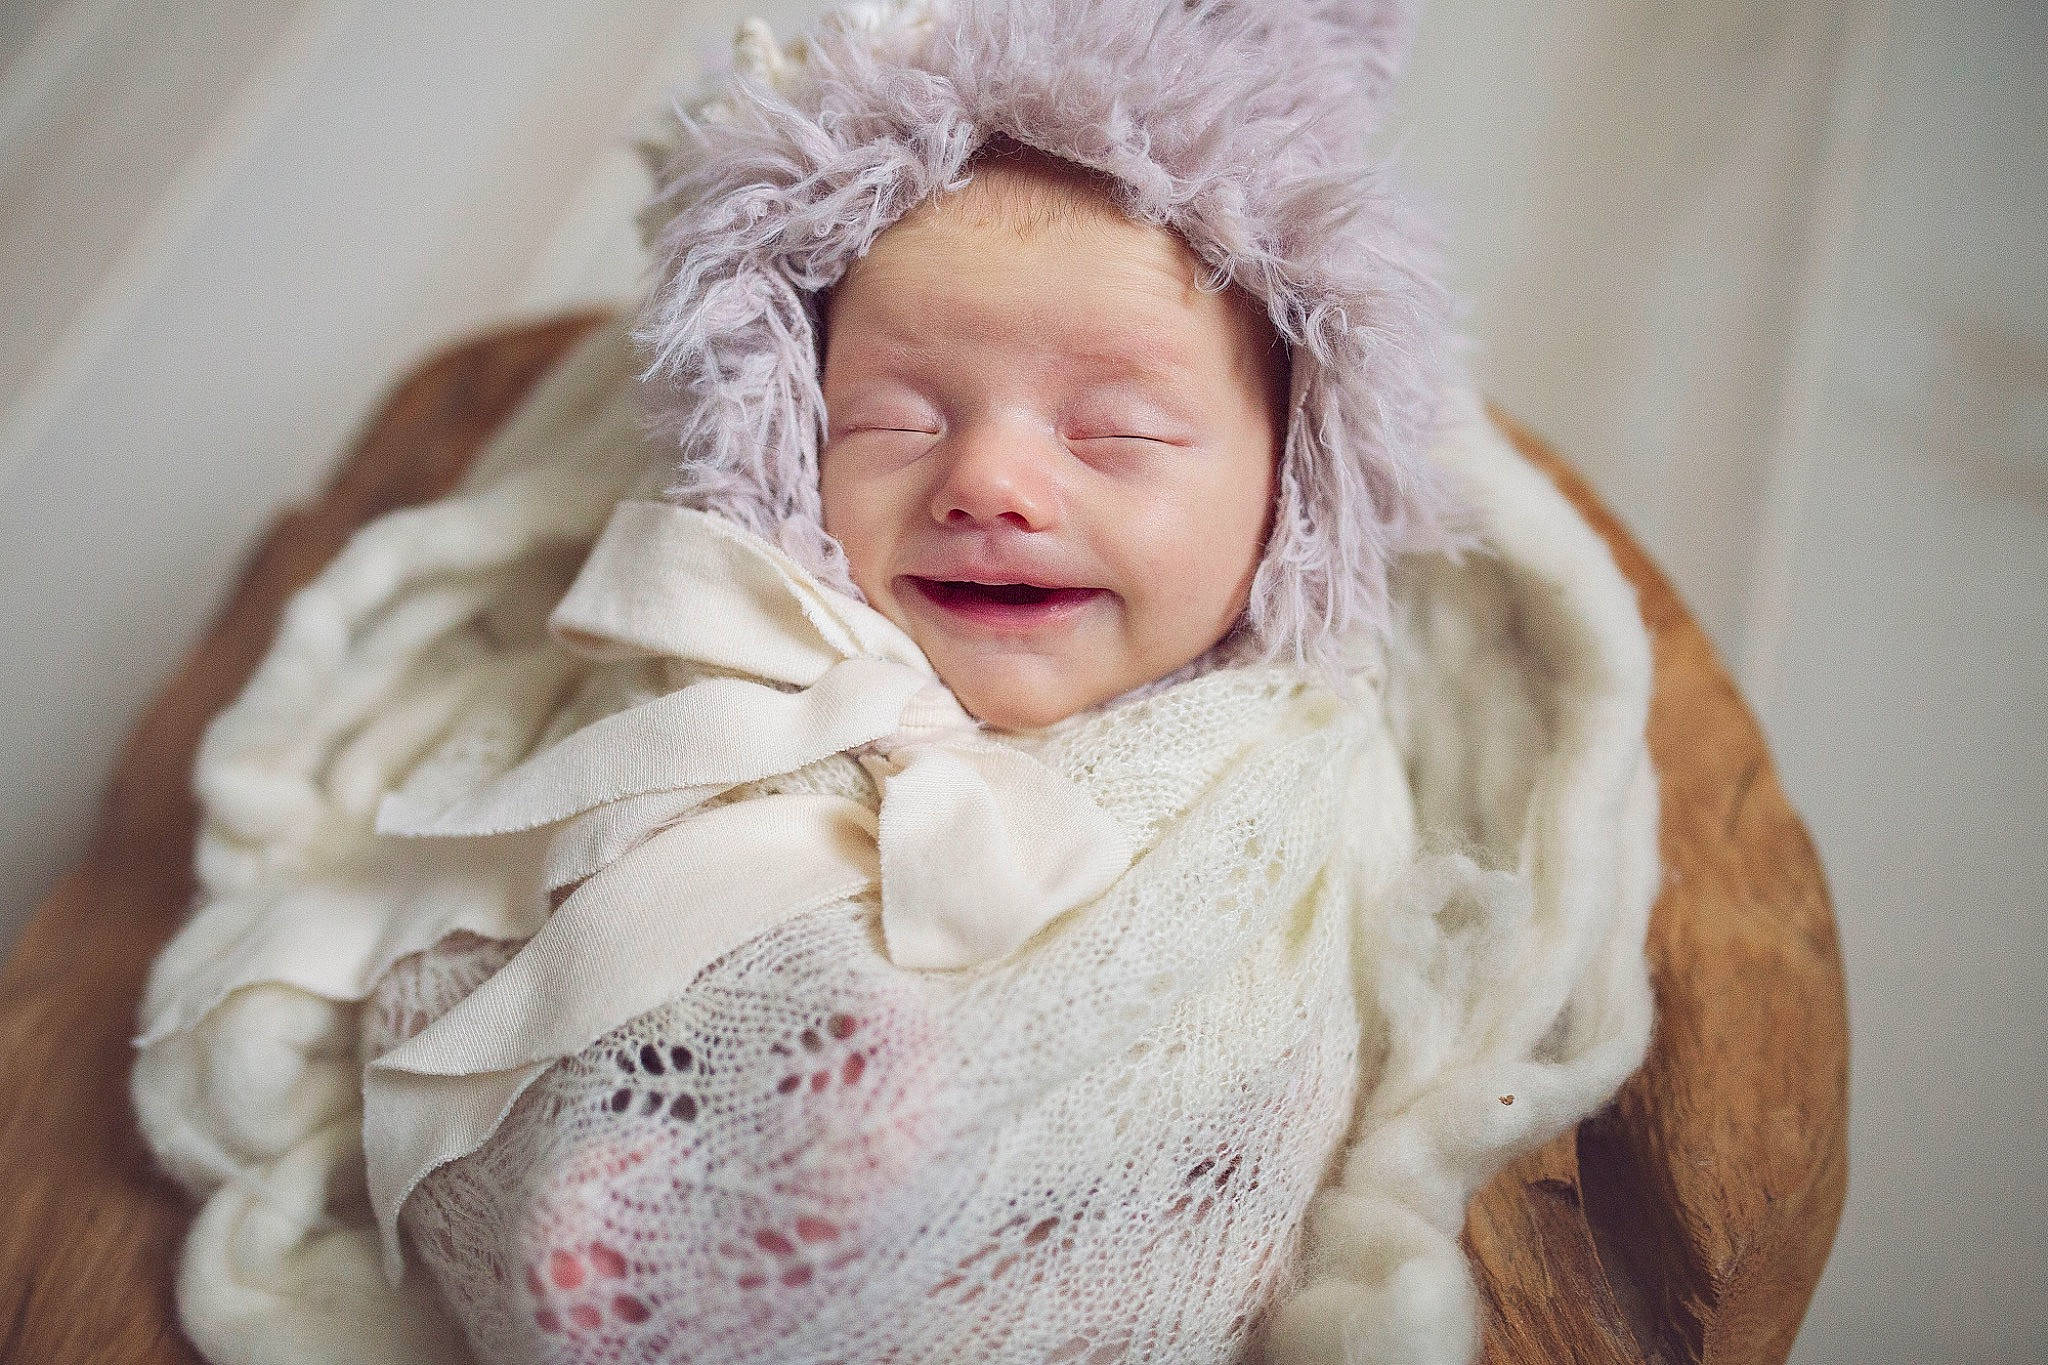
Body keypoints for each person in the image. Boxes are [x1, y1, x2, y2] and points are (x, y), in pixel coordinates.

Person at [132, 2, 1660, 1363]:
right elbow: (537, 870)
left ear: (1296, 483)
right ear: (784, 441)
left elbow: (1306, 1062)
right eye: (897, 416)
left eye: (1115, 431)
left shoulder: (1292, 755)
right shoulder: (730, 642)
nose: (991, 479)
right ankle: (649, 1217)